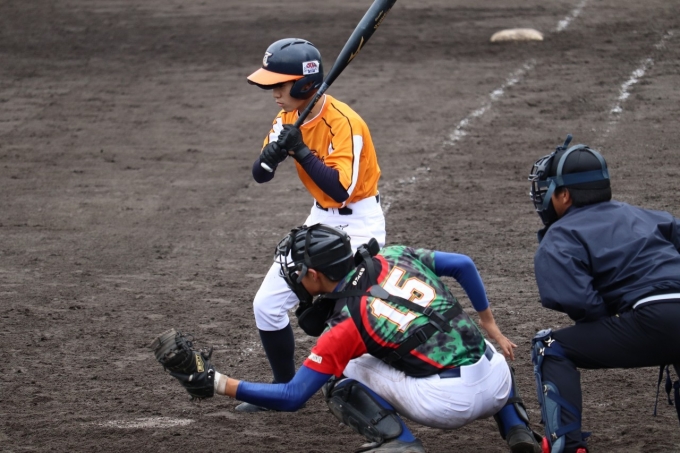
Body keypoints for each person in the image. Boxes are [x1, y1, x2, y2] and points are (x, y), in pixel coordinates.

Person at [159, 224, 543, 453]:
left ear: (315, 276)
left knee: (343, 376)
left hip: (447, 405)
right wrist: (489, 323)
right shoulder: (396, 254)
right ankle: (517, 428)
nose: (293, 277)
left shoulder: (345, 324)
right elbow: (462, 264)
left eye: (297, 271)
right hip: (498, 382)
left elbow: (293, 396)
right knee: (464, 335)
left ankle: (399, 443)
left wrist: (218, 383)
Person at [242, 38, 386, 412]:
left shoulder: (345, 123)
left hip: (360, 225)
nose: (274, 93)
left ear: (305, 83)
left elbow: (340, 190)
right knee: (266, 305)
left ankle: (376, 393)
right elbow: (260, 175)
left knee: (349, 316)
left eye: (280, 84)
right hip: (320, 220)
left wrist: (302, 151)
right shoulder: (287, 118)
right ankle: (283, 388)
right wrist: (272, 154)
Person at [527, 134, 680, 453]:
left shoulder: (561, 234)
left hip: (655, 321)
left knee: (550, 347)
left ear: (564, 195)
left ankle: (568, 447)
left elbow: (580, 302)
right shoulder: (651, 216)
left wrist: (614, 318)